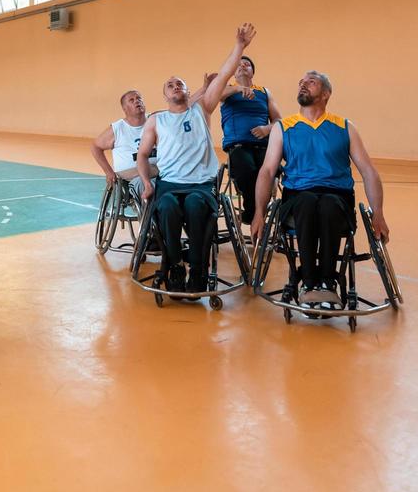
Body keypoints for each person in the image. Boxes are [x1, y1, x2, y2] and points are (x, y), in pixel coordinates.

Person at [136, 22, 256, 294]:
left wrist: (239, 46)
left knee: (193, 205)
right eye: (170, 85)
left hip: (200, 185)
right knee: (165, 207)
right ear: (165, 95)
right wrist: (146, 182)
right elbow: (143, 155)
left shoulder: (201, 109)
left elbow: (224, 75)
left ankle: (199, 271)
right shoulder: (156, 120)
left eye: (180, 83)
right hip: (168, 183)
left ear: (190, 92)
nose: (175, 86)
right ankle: (175, 264)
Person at [251, 70, 390, 304]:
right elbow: (267, 171)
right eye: (301, 82)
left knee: (327, 204)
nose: (303, 85)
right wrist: (258, 213)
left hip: (337, 196)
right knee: (306, 201)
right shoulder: (283, 127)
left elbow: (368, 171)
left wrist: (379, 214)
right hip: (297, 196)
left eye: (311, 82)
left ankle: (327, 281)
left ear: (326, 94)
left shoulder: (344, 127)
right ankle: (309, 280)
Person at [218, 55, 280, 241]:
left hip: (263, 146)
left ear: (253, 71)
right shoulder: (226, 89)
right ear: (233, 72)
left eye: (247, 64)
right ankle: (254, 212)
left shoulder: (264, 92)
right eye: (238, 65)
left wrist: (267, 129)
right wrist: (238, 88)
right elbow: (216, 96)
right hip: (238, 145)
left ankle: (253, 213)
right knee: (247, 169)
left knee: (268, 171)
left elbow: (278, 120)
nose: (243, 66)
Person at [90, 89, 157, 197]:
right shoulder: (117, 128)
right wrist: (108, 172)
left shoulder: (154, 120)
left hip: (157, 170)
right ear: (125, 109)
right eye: (132, 100)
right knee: (143, 184)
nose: (137, 101)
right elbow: (95, 146)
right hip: (132, 175)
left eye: (139, 98)